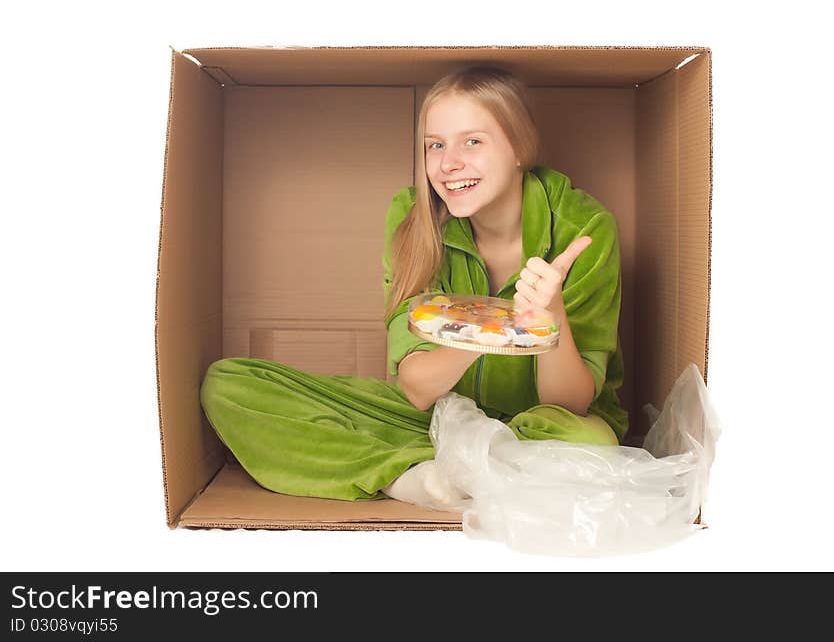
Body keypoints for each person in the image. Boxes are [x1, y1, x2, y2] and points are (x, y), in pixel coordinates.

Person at [199, 66, 628, 506]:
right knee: (230, 385)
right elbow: (418, 387)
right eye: (435, 145)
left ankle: (443, 469)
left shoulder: (584, 229)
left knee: (593, 444)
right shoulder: (412, 220)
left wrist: (549, 314)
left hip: (542, 426)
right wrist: (493, 329)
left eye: (472, 142)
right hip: (435, 417)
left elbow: (570, 403)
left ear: (519, 147)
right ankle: (420, 478)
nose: (448, 164)